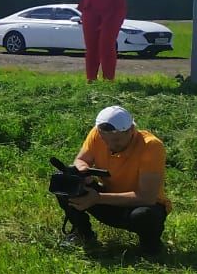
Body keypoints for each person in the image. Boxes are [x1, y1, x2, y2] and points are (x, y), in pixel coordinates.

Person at [57, 105, 170, 256]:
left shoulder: (151, 146)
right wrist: (82, 170)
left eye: (116, 140)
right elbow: (81, 159)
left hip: (138, 205)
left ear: (131, 130)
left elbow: (146, 197)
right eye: (105, 140)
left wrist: (97, 198)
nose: (110, 145)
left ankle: (151, 247)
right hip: (107, 198)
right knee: (65, 182)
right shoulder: (97, 133)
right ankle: (83, 234)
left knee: (145, 216)